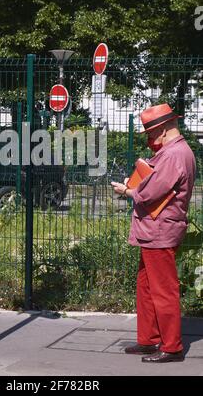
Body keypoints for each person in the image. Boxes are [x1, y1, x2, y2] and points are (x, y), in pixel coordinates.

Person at [111, 103, 196, 363]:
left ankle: (171, 347)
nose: (149, 140)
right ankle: (149, 339)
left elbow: (150, 193)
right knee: (146, 286)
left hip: (160, 230)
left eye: (150, 134)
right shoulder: (176, 151)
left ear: (164, 129)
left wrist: (127, 190)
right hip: (156, 230)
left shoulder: (173, 155)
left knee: (162, 290)